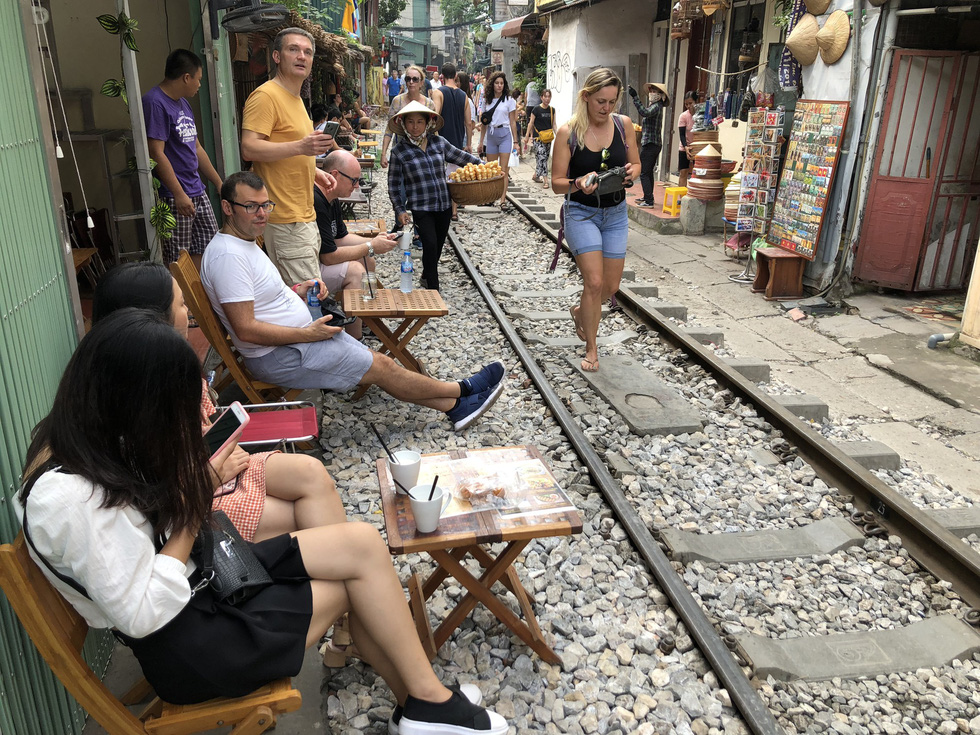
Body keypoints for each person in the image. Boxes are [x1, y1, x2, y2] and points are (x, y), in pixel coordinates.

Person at [16, 308, 509, 735]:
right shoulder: (67, 500)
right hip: (191, 642)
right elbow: (143, 613)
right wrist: (194, 501)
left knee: (360, 545)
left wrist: (189, 490)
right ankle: (425, 702)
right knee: (355, 584)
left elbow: (139, 529)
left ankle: (423, 702)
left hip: (201, 580)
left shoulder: (84, 444)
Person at [202, 171, 504, 431]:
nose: (262, 214)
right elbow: (245, 329)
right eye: (251, 206)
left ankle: (456, 407)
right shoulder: (229, 257)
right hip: (283, 355)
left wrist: (299, 289)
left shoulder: (242, 243)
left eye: (265, 205)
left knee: (380, 364)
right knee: (382, 366)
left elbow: (259, 301)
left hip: (299, 341)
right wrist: (307, 334)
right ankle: (463, 388)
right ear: (227, 207)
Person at [91, 261, 348, 542]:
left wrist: (216, 451)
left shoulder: (160, 364)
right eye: (180, 304)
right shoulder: (136, 394)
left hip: (215, 465)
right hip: (194, 501)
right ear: (152, 316)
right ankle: (336, 570)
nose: (188, 311)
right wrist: (212, 471)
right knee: (307, 518)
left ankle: (341, 568)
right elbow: (158, 491)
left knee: (312, 472)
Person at [551, 68, 639, 374]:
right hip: (581, 212)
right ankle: (591, 346)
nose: (607, 107)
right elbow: (557, 183)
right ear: (586, 97)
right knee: (595, 281)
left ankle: (581, 312)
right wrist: (578, 183)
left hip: (615, 214)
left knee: (611, 285)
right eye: (601, 100)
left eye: (612, 101)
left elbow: (637, 163)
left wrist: (631, 173)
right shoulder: (568, 132)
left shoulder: (624, 125)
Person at [241, 28, 333, 285]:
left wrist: (315, 172)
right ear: (277, 57)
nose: (301, 56)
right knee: (309, 303)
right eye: (293, 49)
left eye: (307, 52)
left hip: (303, 216)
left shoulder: (296, 99)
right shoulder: (266, 96)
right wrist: (302, 147)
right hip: (285, 219)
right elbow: (249, 148)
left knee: (305, 297)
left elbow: (287, 148)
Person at [141, 49, 223, 268]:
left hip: (197, 189)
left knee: (208, 248)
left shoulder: (183, 103)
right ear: (187, 77)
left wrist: (217, 182)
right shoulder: (154, 102)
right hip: (175, 195)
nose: (199, 85)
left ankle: (198, 300)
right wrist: (178, 194)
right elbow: (156, 152)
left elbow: (196, 146)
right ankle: (181, 301)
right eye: (198, 79)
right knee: (179, 259)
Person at [388, 103, 481, 292]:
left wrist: (484, 165)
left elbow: (461, 157)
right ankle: (433, 288)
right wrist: (399, 210)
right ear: (404, 124)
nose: (415, 126)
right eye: (411, 122)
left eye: (420, 122)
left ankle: (426, 275)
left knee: (438, 244)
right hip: (421, 207)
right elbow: (393, 185)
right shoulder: (399, 152)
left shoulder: (439, 143)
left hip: (444, 204)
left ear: (427, 123)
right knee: (429, 243)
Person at [315, 150, 399, 339]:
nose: (356, 186)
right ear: (335, 175)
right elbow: (328, 257)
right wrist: (371, 246)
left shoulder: (331, 196)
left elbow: (341, 238)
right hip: (308, 273)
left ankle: (364, 322)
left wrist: (380, 240)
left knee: (368, 261)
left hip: (318, 263)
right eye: (354, 180)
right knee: (356, 271)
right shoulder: (317, 200)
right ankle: (355, 341)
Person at [433, 63, 470, 221]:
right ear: (456, 76)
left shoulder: (438, 92)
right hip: (457, 141)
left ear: (441, 76)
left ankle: (441, 208)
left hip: (441, 141)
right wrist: (468, 143)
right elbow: (468, 122)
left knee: (440, 176)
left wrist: (433, 135)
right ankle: (454, 211)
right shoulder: (464, 96)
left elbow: (435, 115)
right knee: (454, 177)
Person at [381, 65, 436, 169]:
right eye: (408, 79)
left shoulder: (429, 104)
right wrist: (383, 154)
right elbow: (389, 128)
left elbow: (433, 130)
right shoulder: (397, 101)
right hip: (400, 151)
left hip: (422, 152)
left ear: (421, 83)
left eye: (415, 79)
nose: (411, 82)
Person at [477, 72, 518, 209]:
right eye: (497, 83)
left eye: (501, 83)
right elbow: (484, 123)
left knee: (504, 169)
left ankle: (502, 200)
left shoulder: (509, 100)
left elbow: (513, 122)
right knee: (492, 169)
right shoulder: (486, 100)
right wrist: (480, 142)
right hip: (491, 135)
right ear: (492, 84)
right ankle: (491, 197)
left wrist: (516, 142)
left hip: (505, 134)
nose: (499, 86)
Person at [628, 82, 669, 208]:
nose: (651, 93)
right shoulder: (656, 106)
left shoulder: (656, 106)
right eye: (651, 90)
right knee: (648, 172)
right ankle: (647, 197)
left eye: (654, 91)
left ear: (660, 95)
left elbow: (644, 112)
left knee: (644, 172)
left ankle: (649, 201)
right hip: (652, 143)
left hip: (651, 144)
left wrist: (635, 97)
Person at [523, 89, 555, 188]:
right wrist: (527, 136)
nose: (547, 98)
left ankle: (536, 175)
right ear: (541, 97)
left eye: (549, 96)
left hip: (548, 138)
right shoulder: (536, 109)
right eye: (545, 96)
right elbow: (531, 123)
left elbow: (554, 124)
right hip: (538, 138)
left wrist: (559, 135)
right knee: (542, 158)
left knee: (541, 158)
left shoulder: (552, 110)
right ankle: (546, 180)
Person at [678, 91, 698, 188]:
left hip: (698, 147)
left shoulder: (700, 115)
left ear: (695, 101)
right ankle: (681, 197)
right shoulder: (683, 116)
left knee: (697, 172)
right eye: (686, 104)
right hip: (684, 146)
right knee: (683, 172)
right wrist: (686, 147)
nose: (688, 106)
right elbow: (682, 134)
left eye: (691, 103)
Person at [456, 72, 478, 154]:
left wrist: (468, 143)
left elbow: (471, 124)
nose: (455, 83)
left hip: (463, 139)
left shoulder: (468, 101)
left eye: (457, 81)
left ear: (463, 83)